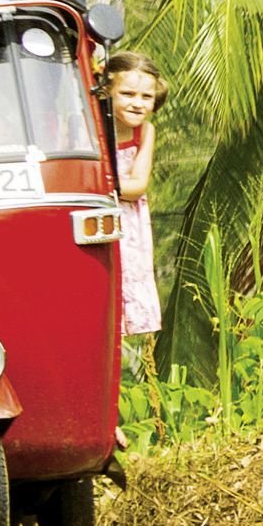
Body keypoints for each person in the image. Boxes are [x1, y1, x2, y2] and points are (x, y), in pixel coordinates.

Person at [104, 52, 164, 352]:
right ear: (107, 92)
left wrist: (102, 184)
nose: (137, 103)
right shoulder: (89, 125)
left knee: (126, 276)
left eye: (146, 97)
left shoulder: (145, 131)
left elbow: (138, 184)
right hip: (95, 212)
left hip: (127, 221)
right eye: (127, 94)